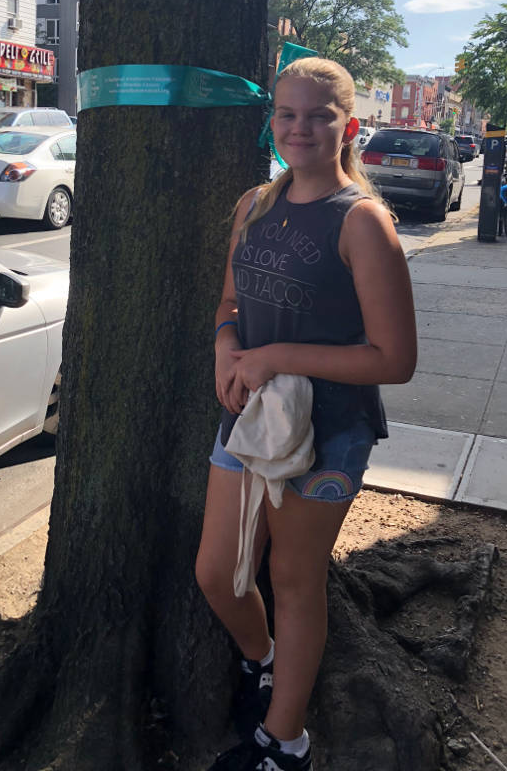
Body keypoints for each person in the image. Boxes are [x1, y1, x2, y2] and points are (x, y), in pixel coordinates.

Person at [195, 57, 417, 771]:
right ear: (273, 122)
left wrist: (276, 355)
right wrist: (227, 347)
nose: (300, 128)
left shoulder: (362, 222)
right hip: (251, 418)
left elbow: (394, 360)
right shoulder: (254, 205)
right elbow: (229, 302)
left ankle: (283, 741)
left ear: (348, 126)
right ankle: (263, 660)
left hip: (331, 435)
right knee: (218, 574)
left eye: (319, 116)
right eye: (287, 114)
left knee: (293, 581)